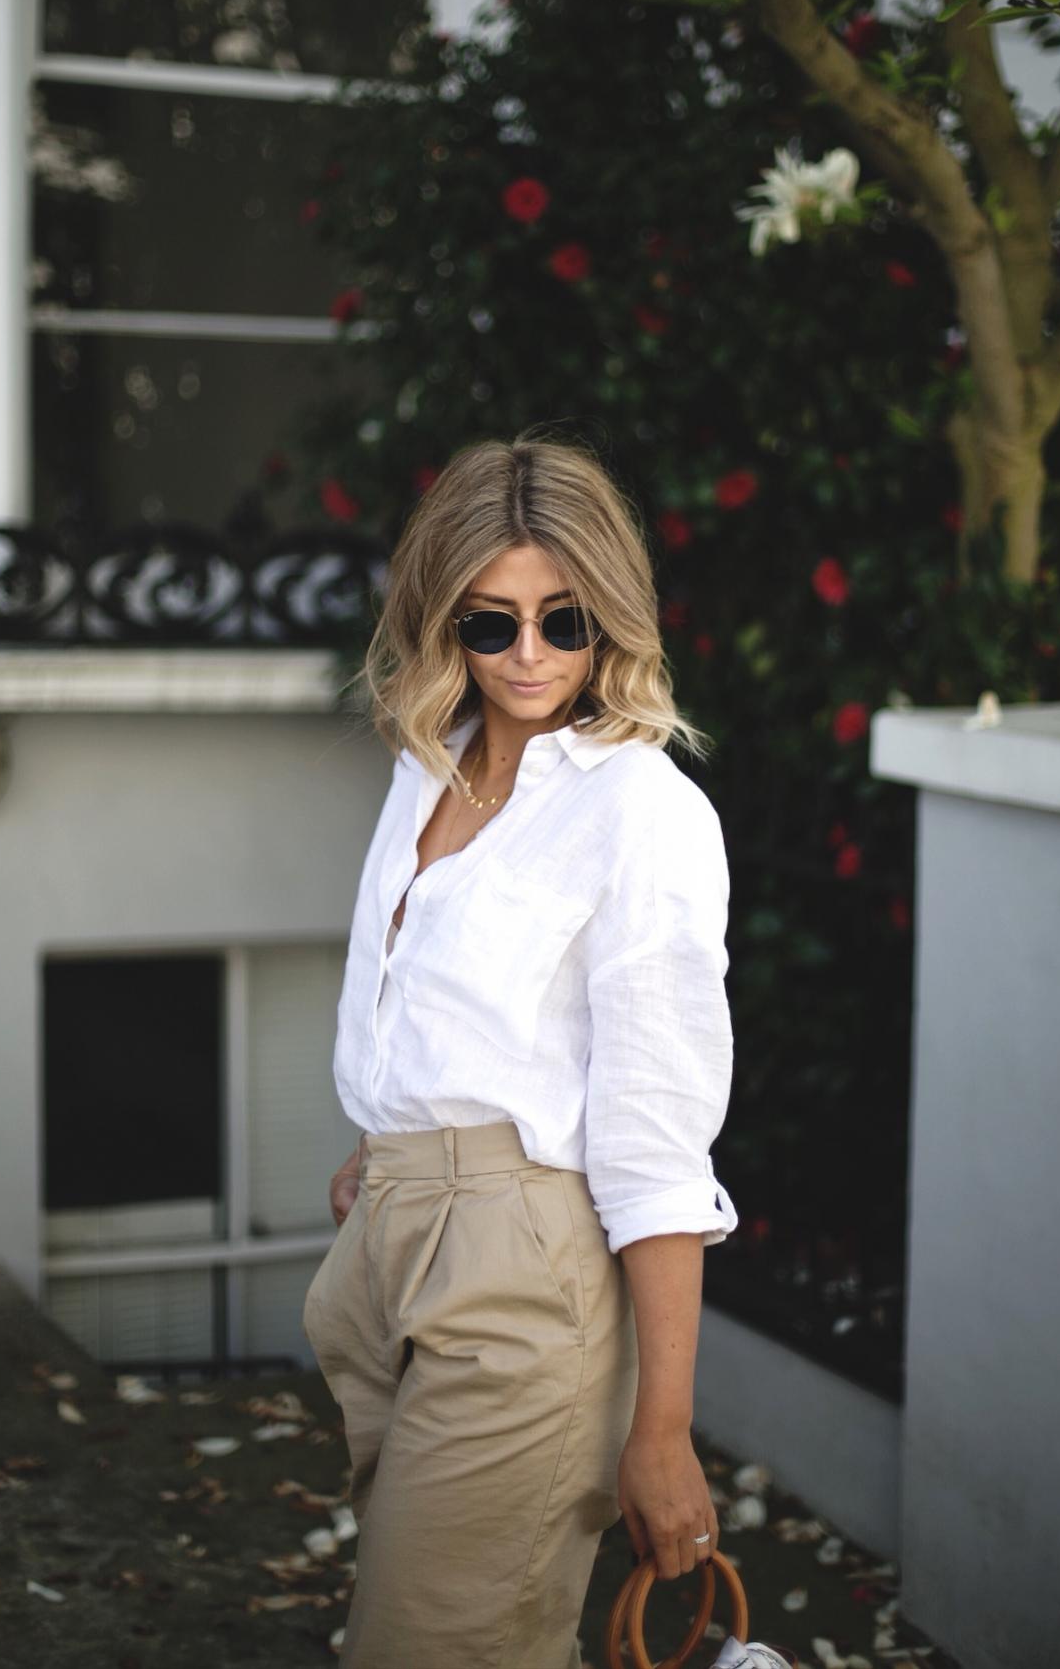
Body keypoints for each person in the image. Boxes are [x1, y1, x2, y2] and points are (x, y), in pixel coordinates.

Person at [302, 430, 739, 1669]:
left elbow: (655, 1138)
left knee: (426, 1645)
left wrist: (662, 1428)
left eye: (566, 621)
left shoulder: (639, 812)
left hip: (524, 1280)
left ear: (614, 619)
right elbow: (447, 1012)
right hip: (392, 1245)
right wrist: (390, 1142)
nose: (531, 656)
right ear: (443, 620)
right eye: (491, 625)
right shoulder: (425, 761)